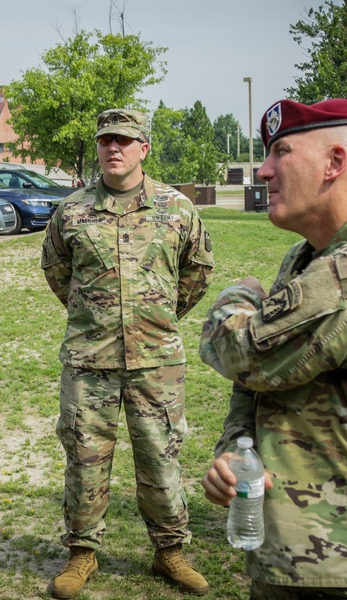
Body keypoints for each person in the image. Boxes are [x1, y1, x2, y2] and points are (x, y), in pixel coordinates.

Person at [200, 98, 347, 599]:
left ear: (334, 163)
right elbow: (261, 378)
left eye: (280, 152)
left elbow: (241, 350)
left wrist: (237, 294)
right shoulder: (308, 257)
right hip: (295, 555)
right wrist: (235, 450)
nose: (264, 171)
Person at [40, 109, 215, 598]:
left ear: (144, 148)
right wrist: (93, 314)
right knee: (84, 457)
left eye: (124, 140)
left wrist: (156, 315)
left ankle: (170, 552)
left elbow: (197, 271)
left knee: (161, 457)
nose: (113, 148)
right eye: (105, 140)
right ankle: (81, 553)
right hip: (88, 360)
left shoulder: (177, 208)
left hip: (156, 359)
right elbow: (56, 271)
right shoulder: (71, 210)